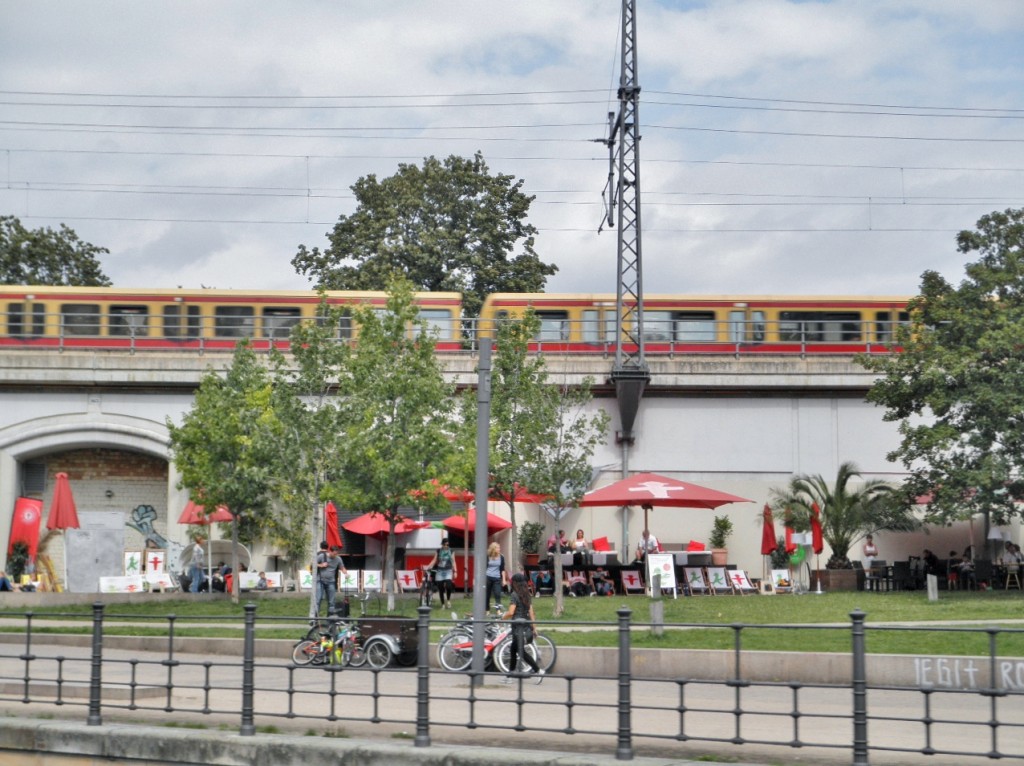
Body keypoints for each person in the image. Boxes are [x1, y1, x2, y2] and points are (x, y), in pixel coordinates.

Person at [500, 572, 543, 685]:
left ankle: (538, 670)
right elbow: (531, 613)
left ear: (514, 583)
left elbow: (511, 612)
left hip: (518, 627)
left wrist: (502, 619)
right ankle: (510, 676)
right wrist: (534, 628)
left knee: (520, 651)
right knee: (513, 650)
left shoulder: (515, 595)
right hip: (525, 627)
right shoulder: (526, 595)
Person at [426, 538, 457, 609]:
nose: (446, 546)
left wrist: (455, 571)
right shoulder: (438, 551)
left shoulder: (451, 551)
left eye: (447, 545)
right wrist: (428, 566)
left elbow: (453, 561)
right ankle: (443, 604)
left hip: (448, 570)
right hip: (440, 571)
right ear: (442, 544)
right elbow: (434, 560)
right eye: (445, 544)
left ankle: (448, 600)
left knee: (449, 586)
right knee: (441, 589)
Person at [317, 545, 346, 616]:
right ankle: (315, 616)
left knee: (331, 600)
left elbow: (342, 567)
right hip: (320, 581)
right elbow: (313, 564)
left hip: (331, 582)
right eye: (334, 554)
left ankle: (330, 616)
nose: (335, 555)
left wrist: (346, 573)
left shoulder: (338, 559)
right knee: (319, 598)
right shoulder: (322, 556)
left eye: (337, 554)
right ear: (330, 551)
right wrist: (321, 565)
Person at [485, 541, 507, 612]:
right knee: (487, 594)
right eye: (498, 548)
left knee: (497, 593)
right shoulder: (488, 556)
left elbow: (502, 569)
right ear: (493, 549)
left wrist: (504, 580)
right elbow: (484, 567)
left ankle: (498, 609)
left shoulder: (502, 557)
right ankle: (487, 609)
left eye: (499, 548)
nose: (499, 549)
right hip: (488, 577)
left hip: (497, 578)